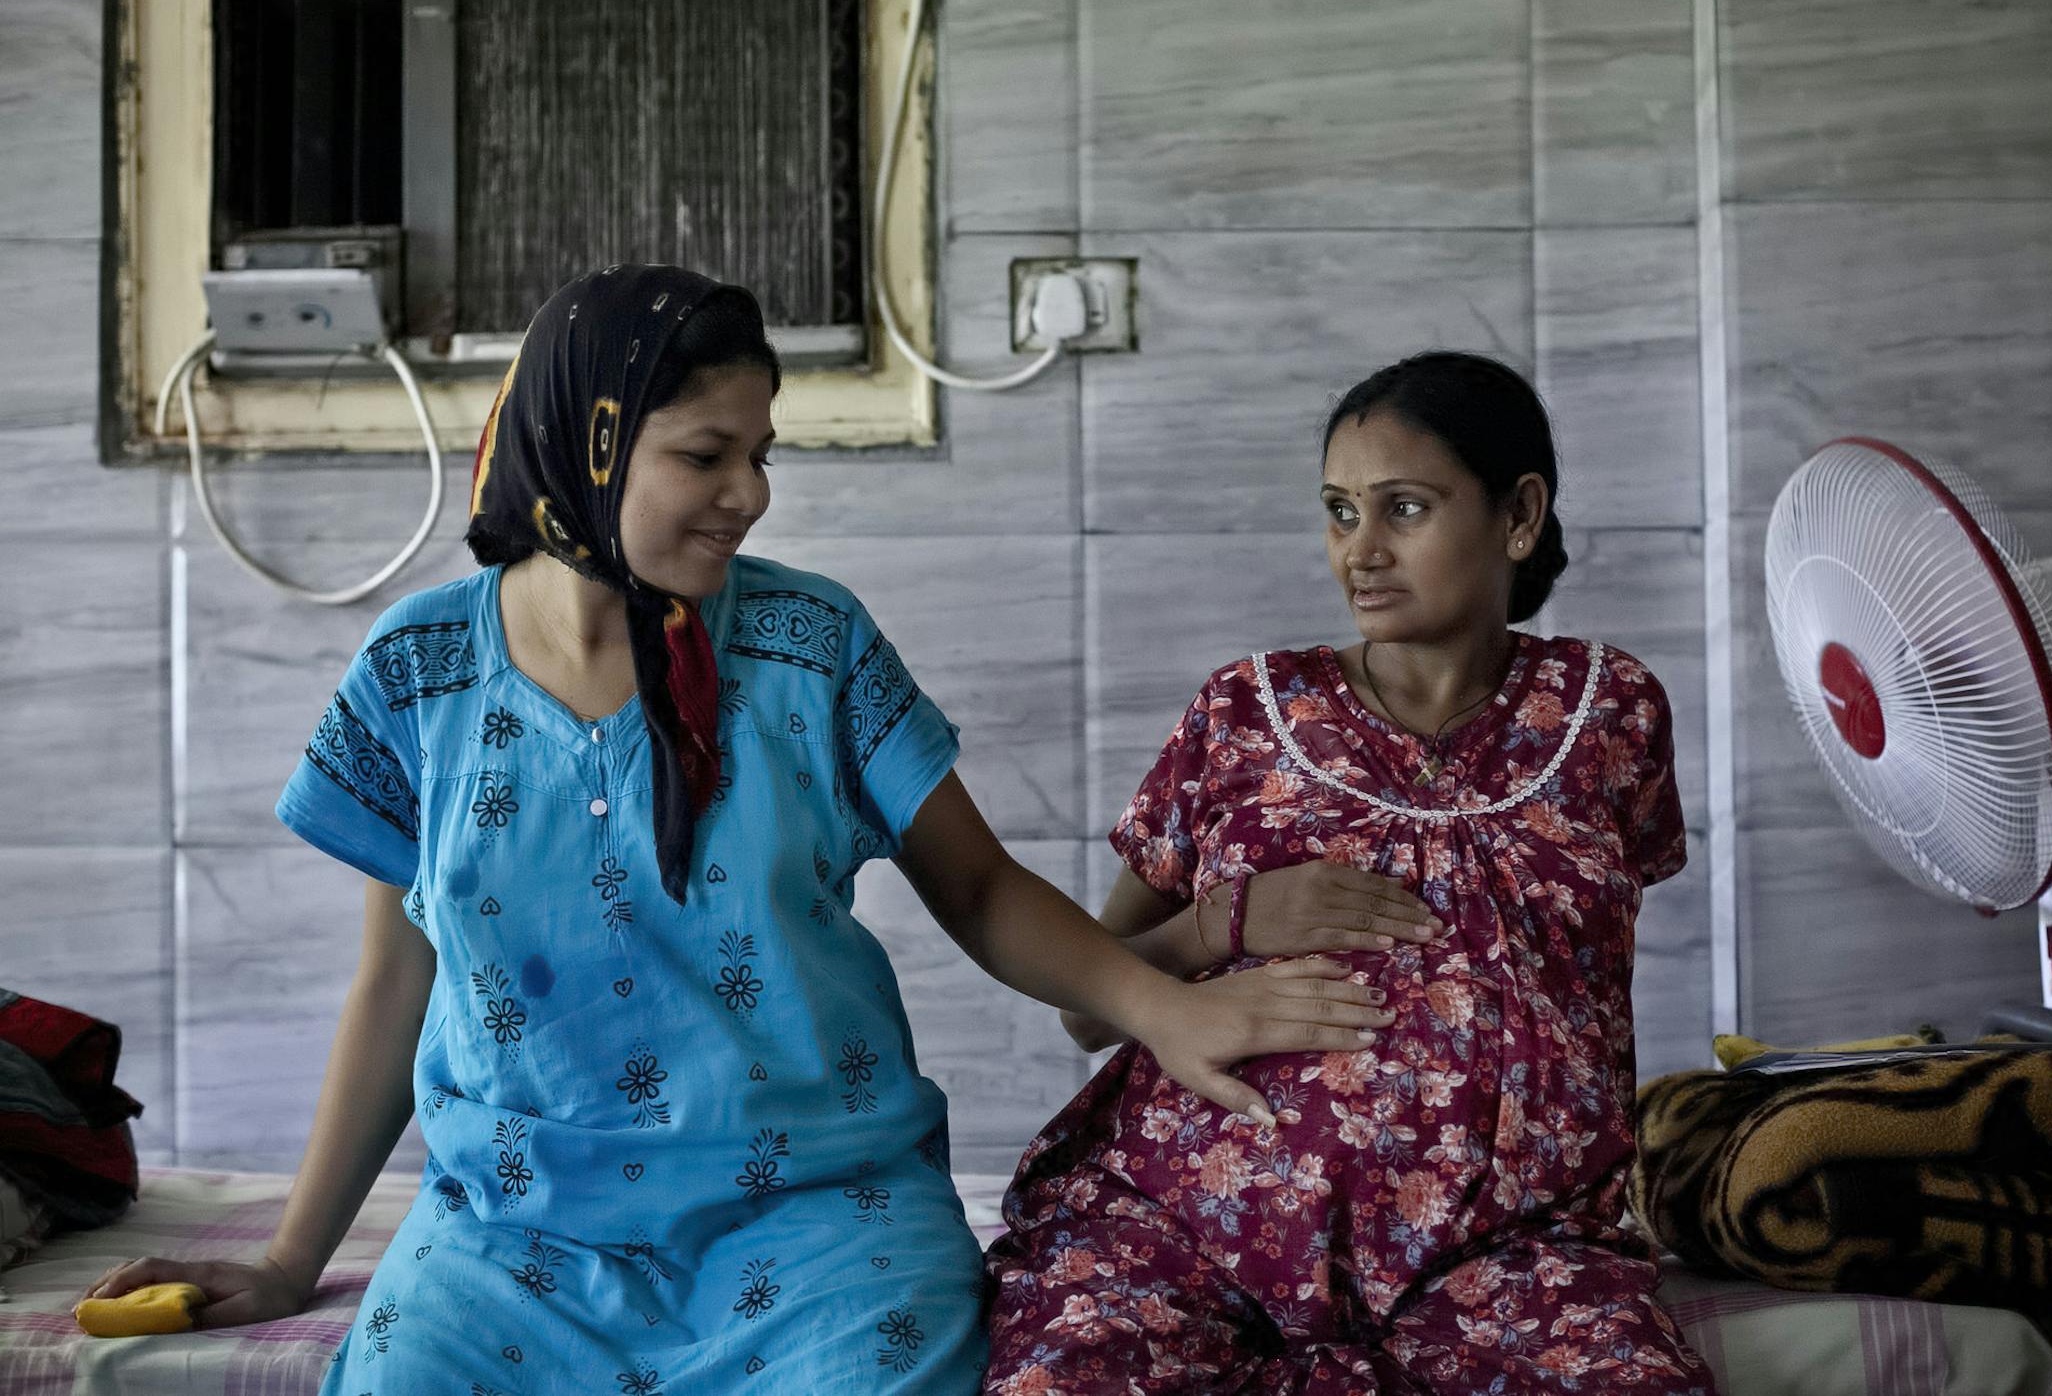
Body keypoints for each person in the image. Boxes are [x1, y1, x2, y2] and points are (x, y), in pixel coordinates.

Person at [82, 266, 1392, 1392]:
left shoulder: (809, 644)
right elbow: (396, 977)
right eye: (705, 456)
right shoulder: (418, 674)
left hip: (819, 1214)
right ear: (587, 443)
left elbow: (981, 890)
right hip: (517, 1232)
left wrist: (1167, 1008)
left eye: (762, 455)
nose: (749, 494)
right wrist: (289, 1259)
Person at [984, 351, 1715, 1394]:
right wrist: (1224, 921)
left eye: (1403, 509)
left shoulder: (1610, 711)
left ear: (1519, 514)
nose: (1359, 552)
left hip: (1508, 1257)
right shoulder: (1244, 710)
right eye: (1339, 512)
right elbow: (1084, 1011)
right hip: (1187, 1234)